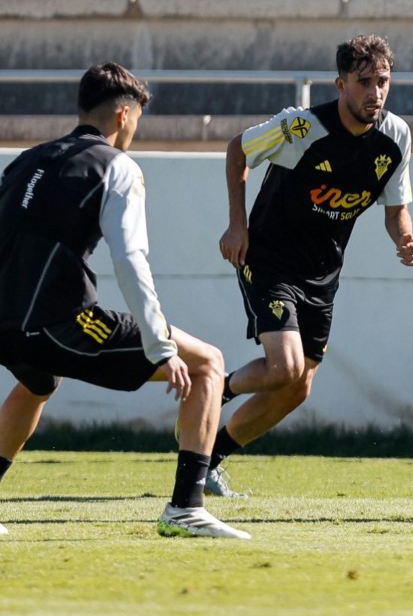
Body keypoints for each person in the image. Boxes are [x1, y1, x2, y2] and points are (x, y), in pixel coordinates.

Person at [0, 63, 249, 539]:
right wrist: (160, 345)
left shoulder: (27, 160)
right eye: (136, 119)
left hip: (5, 323)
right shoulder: (117, 167)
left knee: (36, 383)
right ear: (122, 115)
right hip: (60, 322)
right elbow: (131, 259)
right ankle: (186, 507)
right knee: (207, 363)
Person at [207, 35, 413, 497]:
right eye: (364, 82)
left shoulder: (396, 136)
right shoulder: (303, 129)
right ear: (340, 84)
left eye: (383, 82)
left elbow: (394, 205)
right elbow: (237, 150)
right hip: (268, 257)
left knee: (297, 387)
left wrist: (404, 236)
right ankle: (212, 388)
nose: (375, 93)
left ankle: (210, 458)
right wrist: (236, 226)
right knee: (282, 368)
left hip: (322, 273)